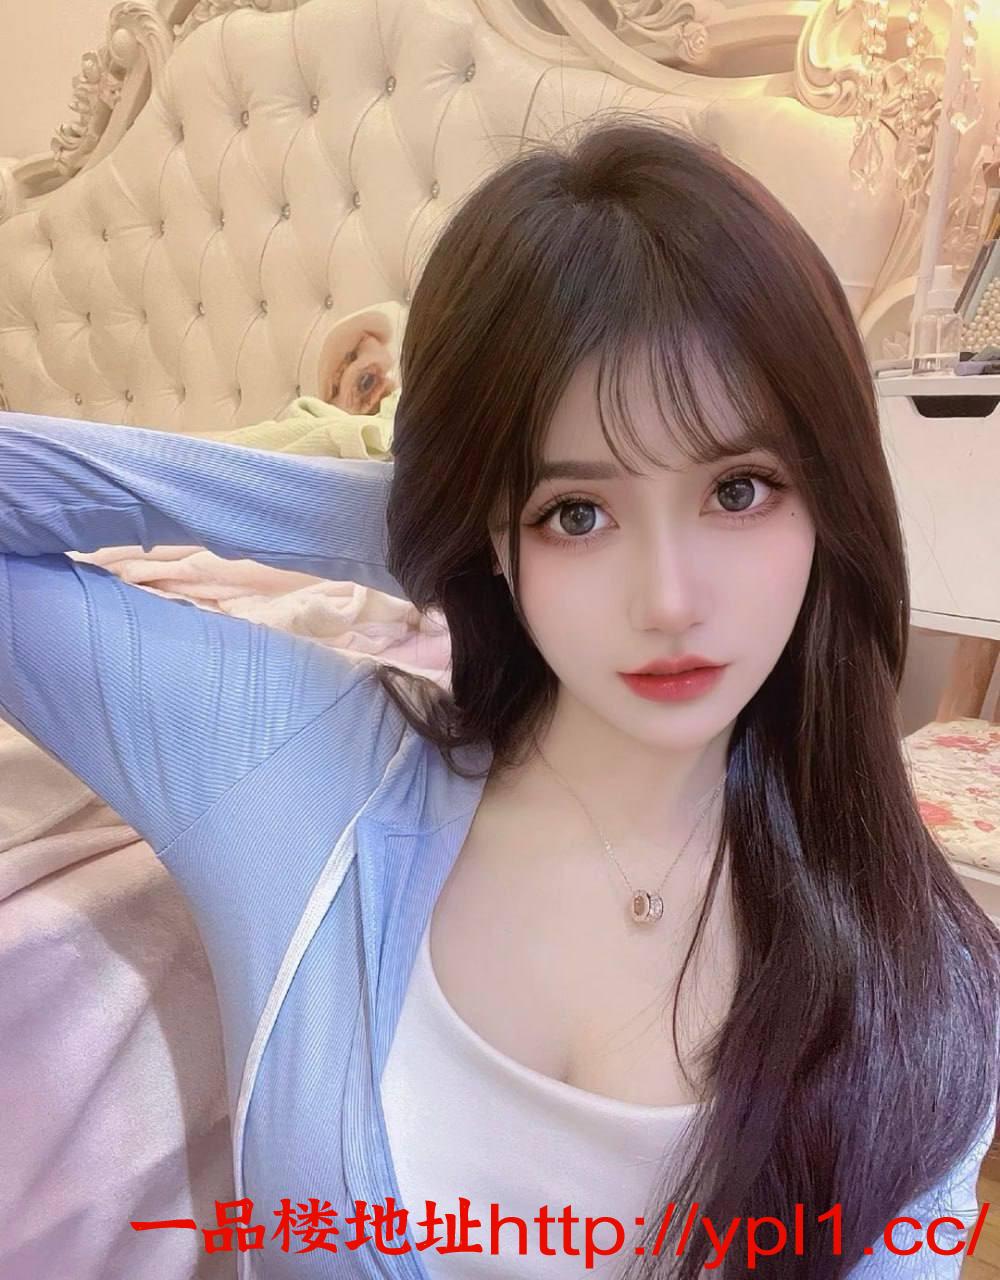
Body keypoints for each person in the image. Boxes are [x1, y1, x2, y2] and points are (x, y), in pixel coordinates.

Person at [1, 116, 997, 1279]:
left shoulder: (931, 982)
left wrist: (521, 514)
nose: (669, 600)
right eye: (577, 511)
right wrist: (420, 522)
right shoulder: (293, 767)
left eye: (738, 488)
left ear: (830, 491)